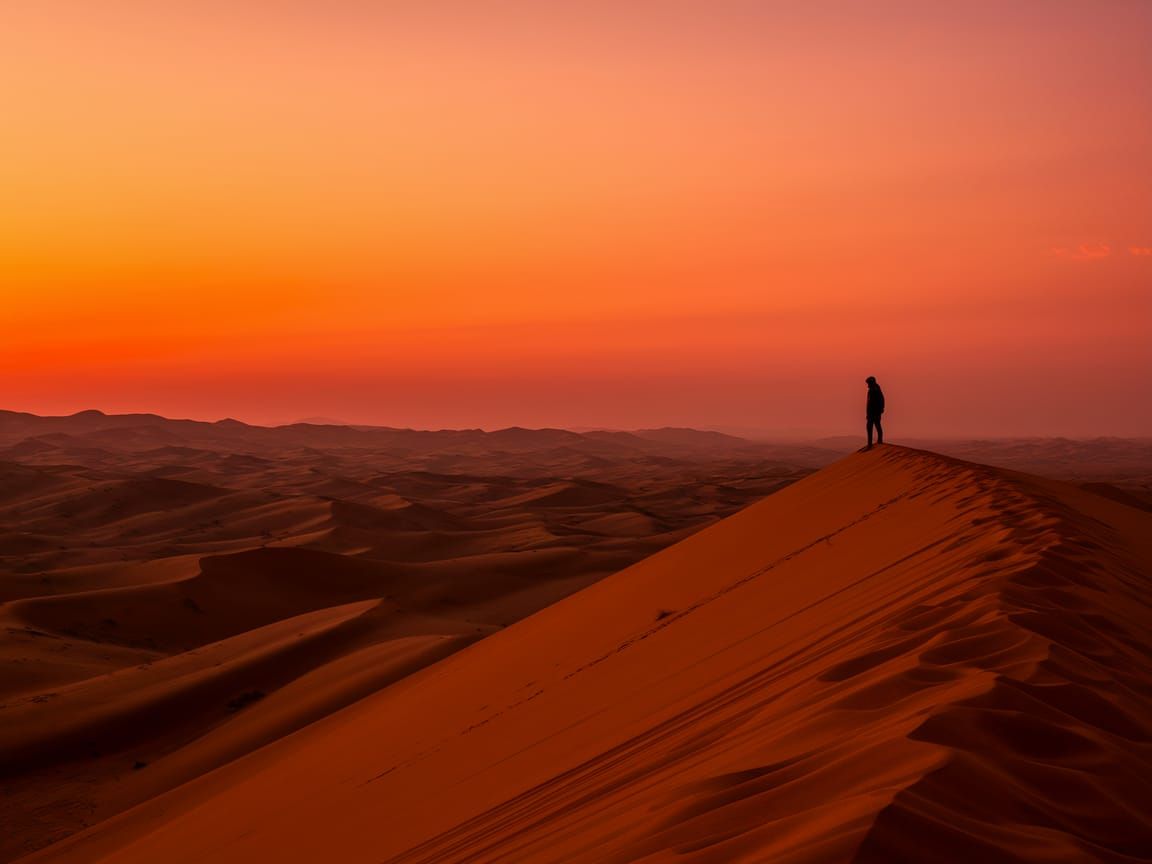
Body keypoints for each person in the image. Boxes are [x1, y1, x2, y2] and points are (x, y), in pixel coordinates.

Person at [865, 376, 884, 449]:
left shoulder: (875, 390)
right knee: (871, 426)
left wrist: (880, 410)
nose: (868, 385)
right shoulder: (872, 390)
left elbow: (881, 400)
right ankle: (871, 443)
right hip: (871, 413)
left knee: (875, 426)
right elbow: (869, 403)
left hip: (875, 413)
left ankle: (875, 442)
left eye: (868, 383)